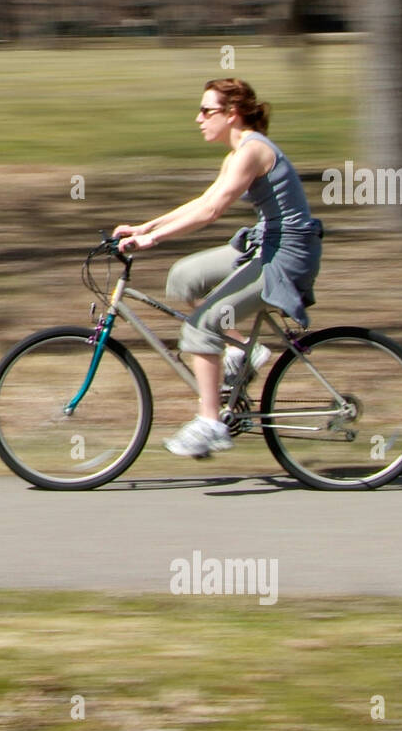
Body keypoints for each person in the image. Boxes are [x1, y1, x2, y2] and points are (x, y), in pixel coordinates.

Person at [113, 78, 323, 458]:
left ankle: (210, 423)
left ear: (232, 113)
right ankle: (243, 350)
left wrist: (151, 242)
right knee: (183, 277)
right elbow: (203, 200)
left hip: (285, 257)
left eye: (206, 111)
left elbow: (212, 212)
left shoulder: (253, 151)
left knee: (201, 325)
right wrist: (146, 226)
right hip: (264, 245)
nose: (198, 119)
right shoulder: (237, 152)